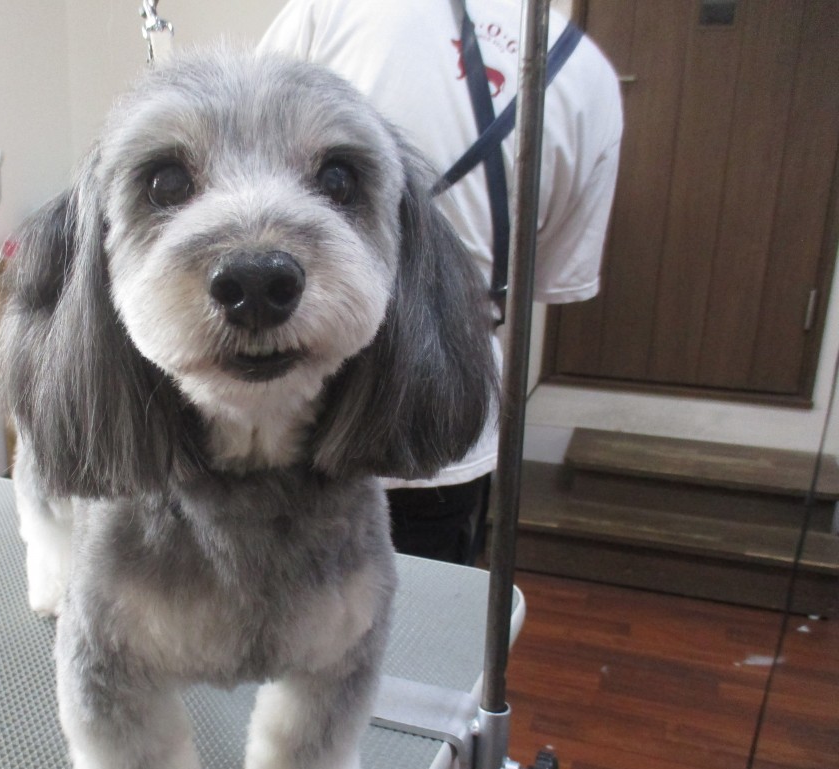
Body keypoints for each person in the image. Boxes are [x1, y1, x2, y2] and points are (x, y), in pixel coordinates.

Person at [259, 0, 623, 564]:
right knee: (421, 604)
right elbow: (549, 277)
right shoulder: (588, 74)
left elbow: (243, 149)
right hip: (442, 413)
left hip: (297, 403)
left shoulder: (336, 9)